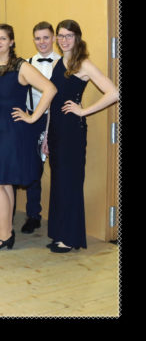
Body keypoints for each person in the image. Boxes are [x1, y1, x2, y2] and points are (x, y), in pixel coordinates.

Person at [0, 24, 56, 251]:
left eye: (3, 38)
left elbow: (50, 89)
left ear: (11, 42)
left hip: (10, 132)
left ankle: (3, 235)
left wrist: (32, 117)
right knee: (1, 181)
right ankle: (7, 232)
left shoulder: (22, 66)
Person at [47, 19, 118, 253]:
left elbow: (114, 93)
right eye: (61, 35)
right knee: (59, 181)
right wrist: (46, 136)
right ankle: (60, 233)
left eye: (69, 36)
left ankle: (70, 237)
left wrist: (83, 111)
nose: (64, 40)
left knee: (70, 182)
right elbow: (52, 102)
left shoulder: (84, 64)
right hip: (55, 130)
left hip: (72, 130)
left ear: (77, 38)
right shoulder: (58, 62)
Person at [20, 22, 61, 234]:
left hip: (57, 121)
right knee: (33, 169)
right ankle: (33, 215)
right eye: (38, 38)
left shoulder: (62, 63)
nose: (42, 42)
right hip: (33, 120)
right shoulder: (27, 63)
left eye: (46, 37)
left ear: (53, 38)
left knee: (58, 168)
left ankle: (58, 217)